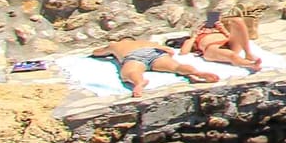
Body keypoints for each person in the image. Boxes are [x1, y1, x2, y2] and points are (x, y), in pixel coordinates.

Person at [90, 39, 218, 97]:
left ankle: (139, 82)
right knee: (176, 66)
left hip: (135, 56)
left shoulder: (117, 44)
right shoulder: (146, 41)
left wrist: (110, 47)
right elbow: (169, 50)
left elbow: (97, 52)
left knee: (129, 72)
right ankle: (196, 72)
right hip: (154, 52)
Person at [187, 7, 263, 71]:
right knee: (232, 55)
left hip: (227, 42)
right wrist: (194, 36)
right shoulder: (196, 35)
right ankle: (251, 65)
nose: (204, 26)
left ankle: (248, 54)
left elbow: (229, 36)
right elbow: (184, 52)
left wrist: (222, 29)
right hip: (212, 47)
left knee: (237, 21)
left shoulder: (216, 29)